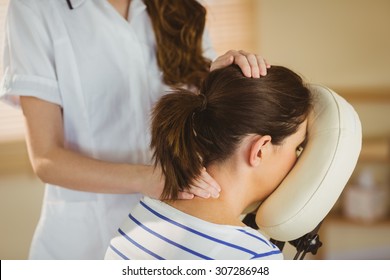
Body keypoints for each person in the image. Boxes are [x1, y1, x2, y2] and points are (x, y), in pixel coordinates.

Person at [0, 0, 269, 259]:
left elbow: (200, 113)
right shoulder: (35, 7)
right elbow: (47, 160)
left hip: (169, 237)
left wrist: (221, 78)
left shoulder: (183, 7)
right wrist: (148, 178)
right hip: (85, 241)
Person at [105, 65, 312, 260]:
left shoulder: (143, 214)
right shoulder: (254, 256)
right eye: (297, 148)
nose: (298, 161)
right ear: (259, 150)